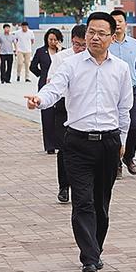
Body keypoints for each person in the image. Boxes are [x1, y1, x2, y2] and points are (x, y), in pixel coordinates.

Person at [24, 12, 132, 272]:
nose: (95, 37)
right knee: (83, 202)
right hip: (77, 143)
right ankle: (89, 259)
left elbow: (124, 109)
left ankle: (95, 248)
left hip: (108, 143)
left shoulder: (120, 68)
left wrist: (122, 141)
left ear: (112, 37)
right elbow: (54, 89)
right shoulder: (70, 65)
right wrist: (39, 100)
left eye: (101, 33)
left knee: (101, 204)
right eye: (91, 32)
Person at [47, 24, 88, 203]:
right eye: (77, 45)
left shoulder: (93, 58)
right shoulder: (61, 58)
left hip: (84, 106)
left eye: (84, 45)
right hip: (64, 105)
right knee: (64, 148)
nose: (80, 49)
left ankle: (82, 186)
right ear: (72, 41)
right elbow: (51, 82)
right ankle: (64, 186)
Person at [109, 9, 136, 179]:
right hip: (111, 90)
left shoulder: (134, 44)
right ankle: (116, 163)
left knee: (135, 125)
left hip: (132, 90)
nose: (117, 24)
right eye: (114, 22)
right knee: (114, 128)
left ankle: (128, 156)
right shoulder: (106, 43)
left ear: (126, 24)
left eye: (120, 21)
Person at [30, 28, 63, 154]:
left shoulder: (64, 53)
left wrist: (60, 51)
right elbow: (33, 67)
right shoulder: (41, 51)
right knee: (47, 116)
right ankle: (49, 145)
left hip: (60, 87)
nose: (53, 42)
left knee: (59, 116)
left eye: (55, 40)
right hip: (45, 85)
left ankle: (60, 143)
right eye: (50, 39)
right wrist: (42, 75)